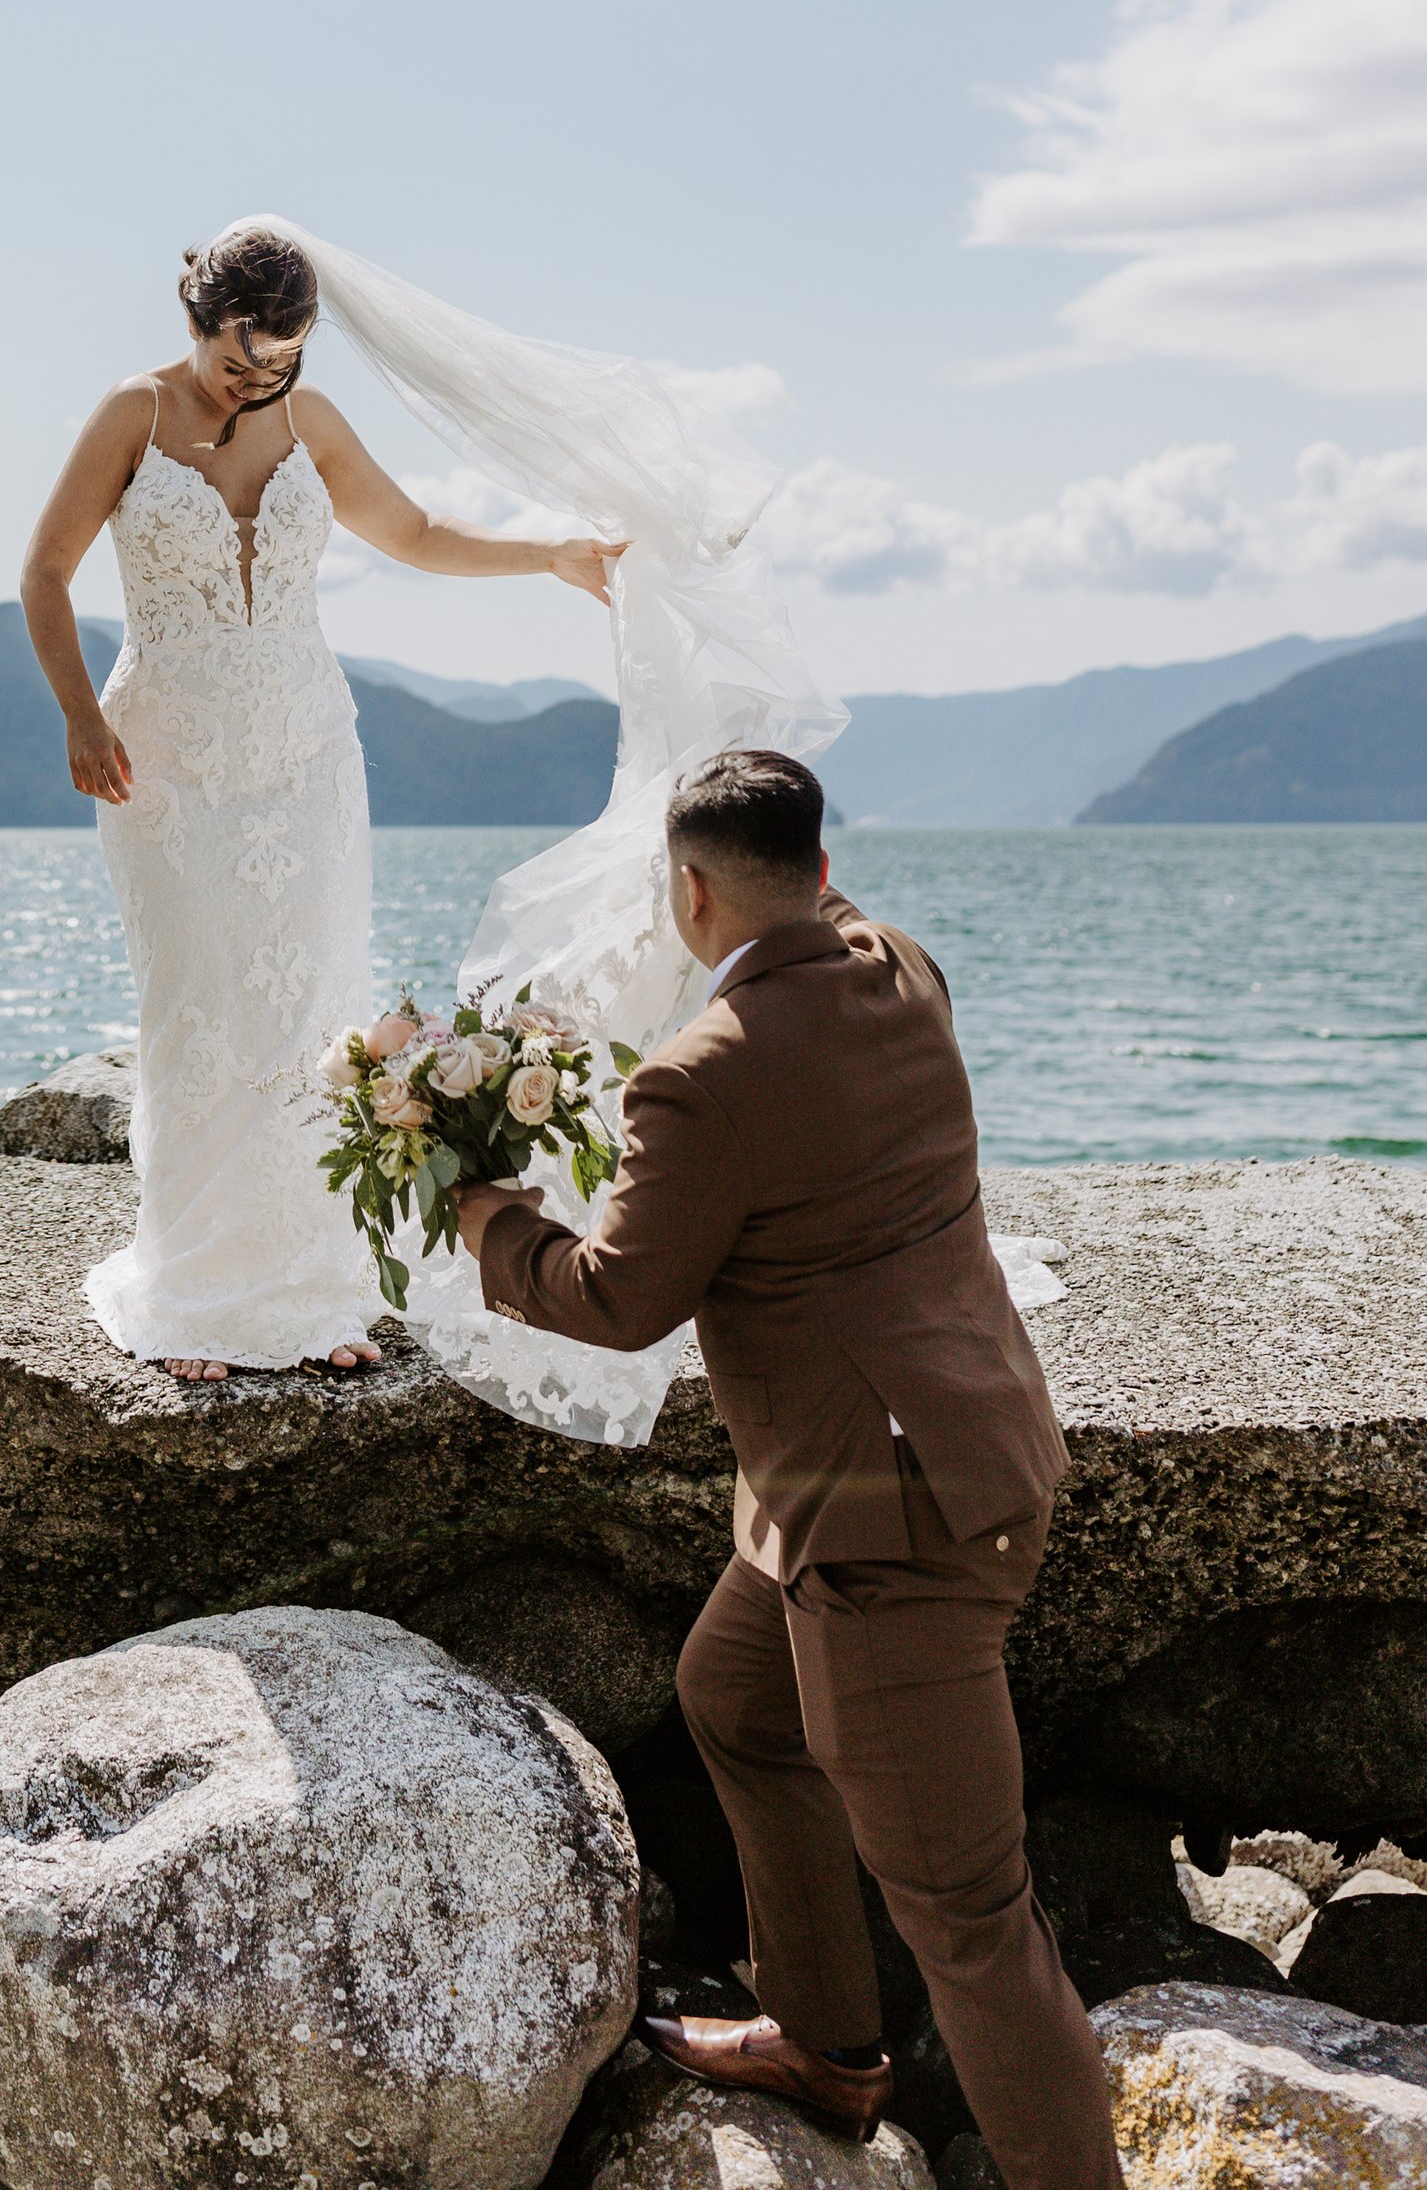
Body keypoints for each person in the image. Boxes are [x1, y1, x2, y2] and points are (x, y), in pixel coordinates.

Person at [453, 745, 1117, 2190]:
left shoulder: (706, 1076)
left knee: (974, 1923)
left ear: (690, 892)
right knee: (735, 1695)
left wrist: (487, 1213)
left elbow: (621, 1297)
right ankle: (824, 2038)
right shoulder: (903, 967)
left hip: (893, 1523)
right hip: (934, 1454)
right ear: (823, 869)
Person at [22, 221, 623, 1382]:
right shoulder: (129, 416)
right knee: (197, 1009)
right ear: (195, 324)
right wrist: (77, 715)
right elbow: (44, 571)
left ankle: (309, 1290)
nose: (260, 382)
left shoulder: (310, 419)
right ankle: (197, 1293)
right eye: (239, 361)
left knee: (310, 1015)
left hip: (305, 752)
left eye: (282, 361)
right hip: (168, 761)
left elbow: (414, 532)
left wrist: (548, 553)